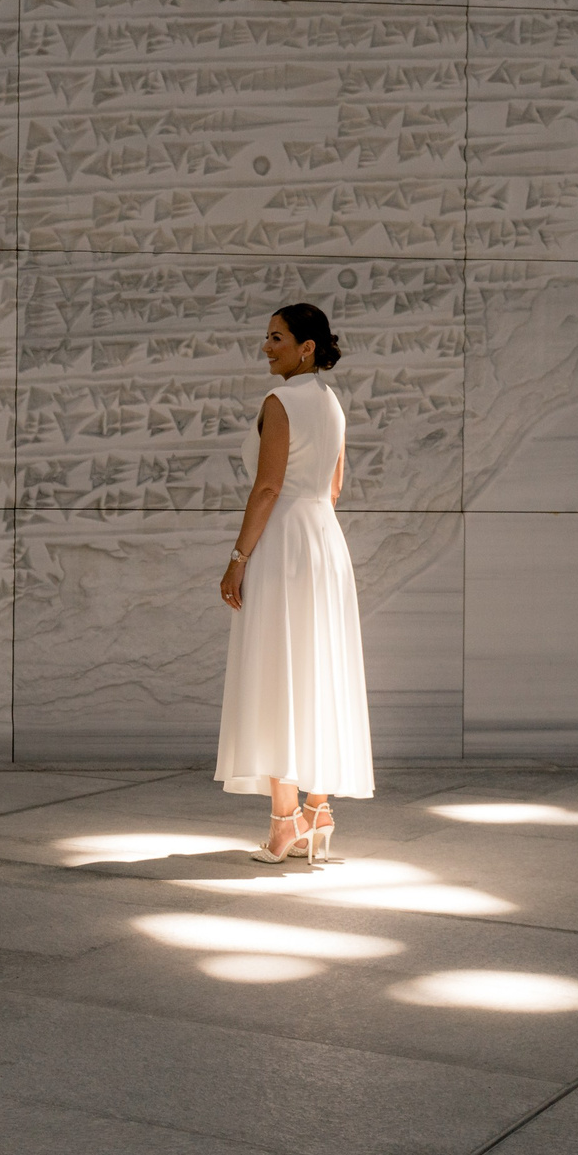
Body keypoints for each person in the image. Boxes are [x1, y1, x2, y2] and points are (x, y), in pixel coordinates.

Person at [215, 302, 374, 861]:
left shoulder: (279, 401)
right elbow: (333, 489)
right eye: (266, 337)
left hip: (283, 544)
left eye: (276, 338)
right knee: (317, 671)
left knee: (277, 670)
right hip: (325, 543)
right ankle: (318, 810)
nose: (266, 347)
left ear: (307, 347)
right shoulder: (333, 405)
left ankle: (285, 823)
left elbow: (266, 488)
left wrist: (239, 557)